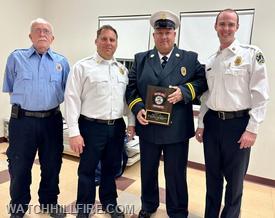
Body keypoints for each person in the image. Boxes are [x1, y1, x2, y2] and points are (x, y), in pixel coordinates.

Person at [126, 10, 207, 218]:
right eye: (160, 32)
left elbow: (202, 82)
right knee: (148, 171)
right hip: (149, 126)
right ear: (154, 35)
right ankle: (149, 205)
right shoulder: (141, 59)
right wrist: (138, 108)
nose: (164, 36)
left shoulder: (189, 59)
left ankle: (178, 211)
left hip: (177, 129)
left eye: (168, 32)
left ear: (174, 35)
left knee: (176, 173)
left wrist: (184, 91)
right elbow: (131, 88)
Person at [195, 9, 269, 218]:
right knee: (212, 178)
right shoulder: (211, 61)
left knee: (235, 181)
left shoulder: (251, 54)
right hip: (212, 125)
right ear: (216, 27)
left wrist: (252, 130)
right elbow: (206, 97)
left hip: (238, 125)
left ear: (237, 27)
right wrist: (201, 124)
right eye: (222, 24)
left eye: (230, 24)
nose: (226, 28)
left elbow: (261, 95)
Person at [64, 25, 135, 218]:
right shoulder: (82, 67)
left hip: (116, 127)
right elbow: (71, 100)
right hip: (91, 127)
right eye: (104, 39)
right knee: (87, 170)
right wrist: (74, 132)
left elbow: (127, 101)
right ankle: (84, 209)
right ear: (96, 41)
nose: (108, 43)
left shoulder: (122, 70)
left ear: (116, 43)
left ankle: (109, 203)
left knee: (111, 169)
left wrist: (131, 122)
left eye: (112, 40)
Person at [2, 18, 70, 218]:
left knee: (52, 164)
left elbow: (69, 92)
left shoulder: (62, 62)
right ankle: (18, 206)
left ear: (52, 37)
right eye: (37, 30)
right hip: (22, 121)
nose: (42, 34)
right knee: (19, 165)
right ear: (30, 36)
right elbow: (10, 86)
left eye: (46, 31)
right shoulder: (16, 58)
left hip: (52, 121)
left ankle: (49, 202)